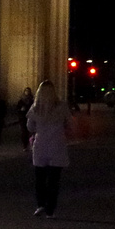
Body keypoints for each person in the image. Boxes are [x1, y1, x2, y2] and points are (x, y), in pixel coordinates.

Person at [24, 80, 72, 218]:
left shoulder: (35, 108)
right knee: (54, 180)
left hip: (41, 145)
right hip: (57, 145)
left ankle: (40, 205)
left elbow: (30, 127)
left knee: (40, 178)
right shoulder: (62, 106)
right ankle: (50, 210)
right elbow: (70, 124)